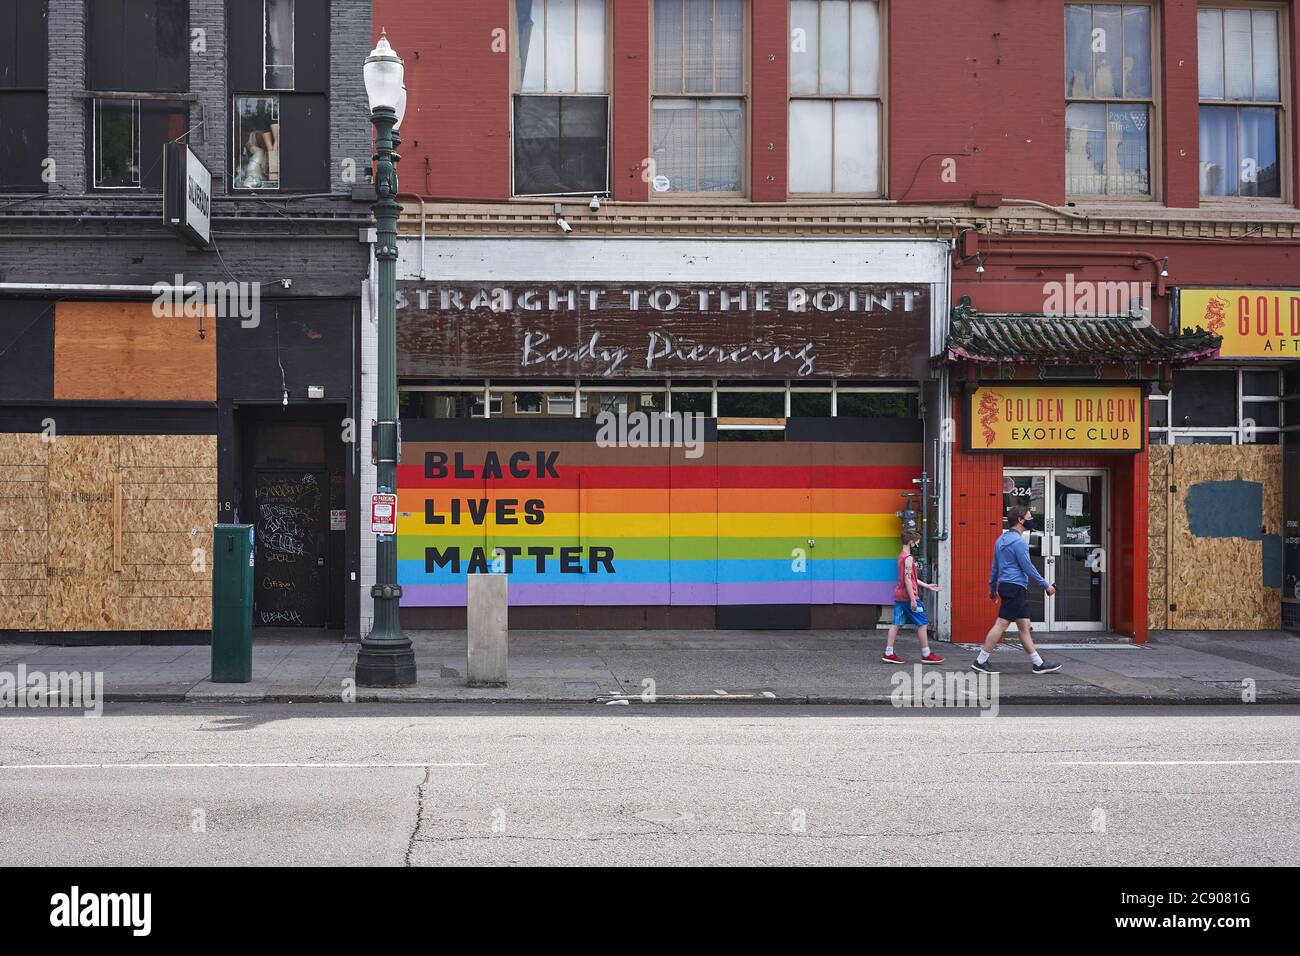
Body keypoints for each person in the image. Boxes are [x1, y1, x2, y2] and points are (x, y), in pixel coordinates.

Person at [973, 505, 1062, 675]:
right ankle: (980, 661)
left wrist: (993, 589)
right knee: (1001, 625)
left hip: (1008, 586)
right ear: (1020, 520)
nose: (1031, 520)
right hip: (1015, 587)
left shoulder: (1001, 540)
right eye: (1029, 517)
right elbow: (1028, 568)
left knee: (1024, 626)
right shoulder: (1018, 542)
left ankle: (1038, 664)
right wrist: (1047, 586)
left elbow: (995, 568)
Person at [882, 530, 944, 664]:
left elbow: (911, 578)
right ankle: (926, 654)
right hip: (908, 596)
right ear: (911, 542)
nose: (917, 544)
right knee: (922, 623)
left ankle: (888, 652)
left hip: (899, 595)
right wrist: (912, 600)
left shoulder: (901, 556)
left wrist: (927, 586)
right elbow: (908, 580)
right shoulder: (909, 558)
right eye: (916, 542)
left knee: (896, 623)